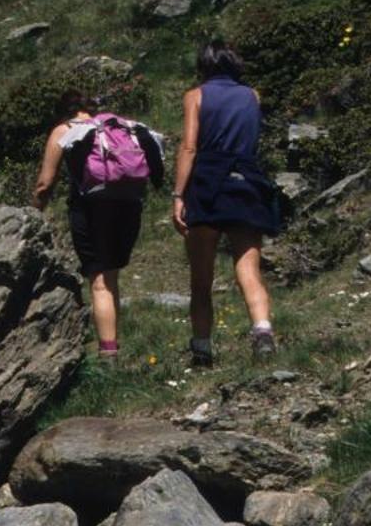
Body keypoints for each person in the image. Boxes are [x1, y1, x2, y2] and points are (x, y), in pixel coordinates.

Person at [172, 39, 279, 365]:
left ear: (203, 65)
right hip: (246, 180)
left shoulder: (196, 96)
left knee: (201, 277)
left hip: (207, 181)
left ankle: (202, 349)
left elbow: (190, 147)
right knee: (248, 268)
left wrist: (178, 194)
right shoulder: (252, 96)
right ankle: (262, 331)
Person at [33, 98, 166, 358]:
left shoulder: (65, 130)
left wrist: (33, 212)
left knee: (99, 282)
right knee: (111, 276)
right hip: (129, 204)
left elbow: (45, 183)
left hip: (91, 208)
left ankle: (108, 353)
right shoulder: (123, 126)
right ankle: (113, 341)